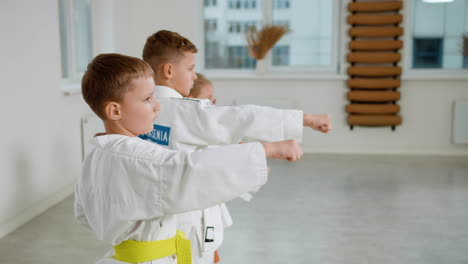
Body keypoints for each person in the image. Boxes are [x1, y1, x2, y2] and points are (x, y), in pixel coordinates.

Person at [74, 53, 304, 264]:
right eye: (146, 99)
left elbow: (84, 214)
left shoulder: (96, 154)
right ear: (115, 111)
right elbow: (189, 170)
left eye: (154, 95)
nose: (157, 105)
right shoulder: (134, 156)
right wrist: (266, 149)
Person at [141, 30, 332, 264]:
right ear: (169, 71)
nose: (194, 76)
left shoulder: (141, 111)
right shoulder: (182, 110)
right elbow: (240, 118)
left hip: (155, 226)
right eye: (190, 69)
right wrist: (306, 119)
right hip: (189, 228)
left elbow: (210, 153)